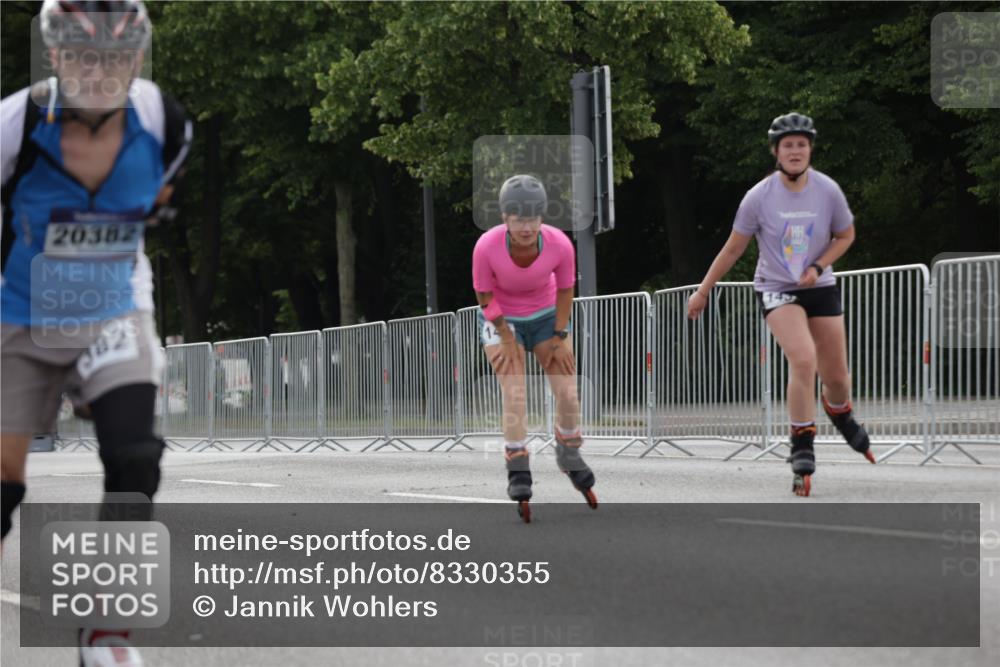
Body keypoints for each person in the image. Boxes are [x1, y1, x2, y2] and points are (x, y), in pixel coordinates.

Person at [0, 1, 190, 663]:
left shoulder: (164, 123)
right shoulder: (15, 124)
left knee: (136, 456)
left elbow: (154, 208)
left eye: (114, 58)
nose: (98, 72)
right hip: (20, 313)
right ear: (54, 57)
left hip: (113, 310)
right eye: (82, 56)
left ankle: (106, 630)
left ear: (136, 58)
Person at [687, 112, 874, 497]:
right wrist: (703, 290)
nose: (795, 151)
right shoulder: (758, 197)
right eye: (787, 145)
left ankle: (839, 411)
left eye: (801, 145)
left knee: (837, 376)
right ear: (776, 152)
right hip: (776, 287)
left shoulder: (827, 191)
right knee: (803, 359)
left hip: (819, 284)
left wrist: (819, 264)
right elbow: (734, 247)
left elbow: (846, 234)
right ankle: (801, 445)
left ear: (810, 150)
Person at [472, 174, 596, 521]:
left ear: (542, 217)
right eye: (518, 219)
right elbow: (484, 295)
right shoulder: (486, 246)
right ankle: (517, 466)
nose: (526, 227)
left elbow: (566, 290)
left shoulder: (558, 244)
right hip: (501, 319)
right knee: (515, 395)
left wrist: (560, 334)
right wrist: (506, 336)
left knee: (569, 393)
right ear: (505, 218)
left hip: (546, 317)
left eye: (533, 218)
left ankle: (568, 451)